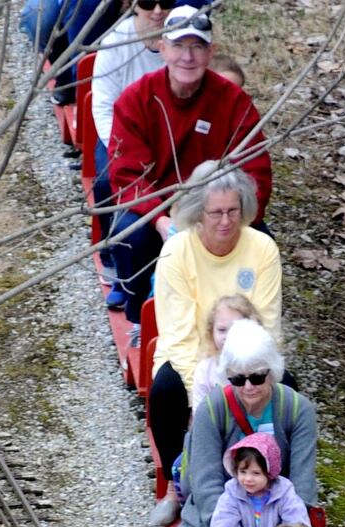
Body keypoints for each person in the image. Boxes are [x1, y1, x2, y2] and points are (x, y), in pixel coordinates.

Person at [106, 7, 271, 321]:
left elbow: (257, 175)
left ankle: (248, 323)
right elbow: (126, 176)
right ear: (162, 48)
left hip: (219, 209)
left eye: (196, 47)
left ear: (211, 53)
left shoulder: (234, 101)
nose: (188, 57)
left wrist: (227, 220)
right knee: (130, 235)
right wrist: (161, 220)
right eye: (179, 46)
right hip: (158, 209)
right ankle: (142, 319)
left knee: (263, 243)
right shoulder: (136, 99)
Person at [148, 161, 281, 515]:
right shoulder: (177, 253)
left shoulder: (262, 249)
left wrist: (250, 381)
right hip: (194, 357)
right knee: (165, 390)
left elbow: (267, 325)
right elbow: (179, 337)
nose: (225, 222)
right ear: (198, 213)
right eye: (216, 213)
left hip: (246, 357)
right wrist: (200, 403)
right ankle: (175, 487)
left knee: (286, 393)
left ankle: (279, 485)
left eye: (233, 211)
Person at [173, 324, 317, 527]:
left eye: (257, 376)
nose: (248, 386)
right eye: (238, 379)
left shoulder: (296, 409)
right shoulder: (213, 409)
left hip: (279, 513)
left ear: (272, 372)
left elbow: (302, 482)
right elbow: (204, 482)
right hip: (221, 516)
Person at [90, 2, 167, 297]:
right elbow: (102, 104)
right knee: (108, 180)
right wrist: (119, 149)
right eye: (148, 2)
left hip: (164, 135)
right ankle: (112, 255)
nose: (158, 11)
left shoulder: (181, 41)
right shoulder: (116, 42)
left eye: (166, 3)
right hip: (122, 134)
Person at [209, 431, 310, 527]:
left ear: (269, 473)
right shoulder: (233, 492)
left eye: (256, 473)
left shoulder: (284, 492)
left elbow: (296, 523)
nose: (248, 479)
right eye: (242, 472)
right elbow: (224, 520)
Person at [193, 291, 258, 404]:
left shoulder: (260, 367)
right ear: (211, 332)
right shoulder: (204, 371)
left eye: (235, 329)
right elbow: (200, 414)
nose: (228, 337)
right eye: (222, 330)